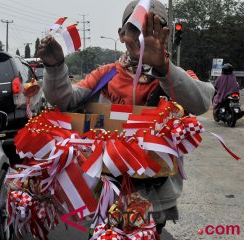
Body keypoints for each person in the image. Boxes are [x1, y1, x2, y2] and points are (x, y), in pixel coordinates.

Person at [37, 0, 214, 234]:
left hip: (154, 198)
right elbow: (64, 100)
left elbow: (200, 102)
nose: (144, 36)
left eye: (153, 27)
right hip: (106, 194)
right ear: (121, 35)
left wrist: (162, 67)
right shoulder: (105, 75)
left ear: (166, 35)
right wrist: (56, 66)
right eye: (136, 28)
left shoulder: (174, 78)